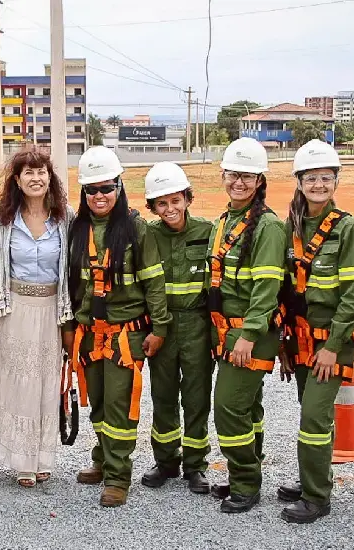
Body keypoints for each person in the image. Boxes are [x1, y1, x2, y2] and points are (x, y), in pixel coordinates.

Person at [66, 146, 170, 507]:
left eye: (106, 188)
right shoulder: (77, 230)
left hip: (125, 334)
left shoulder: (136, 229)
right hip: (89, 333)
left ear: (119, 187)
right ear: (83, 193)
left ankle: (118, 476)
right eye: (92, 190)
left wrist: (159, 329)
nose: (99, 196)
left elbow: (154, 283)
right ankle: (102, 458)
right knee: (97, 404)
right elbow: (71, 286)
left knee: (119, 406)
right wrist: (70, 329)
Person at [276, 140, 354, 523]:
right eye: (311, 178)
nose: (318, 184)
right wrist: (283, 341)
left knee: (314, 416)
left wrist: (333, 346)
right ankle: (313, 476)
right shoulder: (291, 227)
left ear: (336, 181)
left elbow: (352, 295)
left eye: (325, 178)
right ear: (299, 182)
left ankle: (317, 497)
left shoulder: (348, 230)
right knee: (310, 411)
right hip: (298, 340)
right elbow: (283, 287)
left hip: (330, 342)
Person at [0, 148, 75, 487]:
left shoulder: (66, 218)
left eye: (41, 172)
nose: (36, 178)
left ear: (50, 177)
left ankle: (42, 456)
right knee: (17, 381)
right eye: (28, 173)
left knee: (46, 383)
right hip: (14, 309)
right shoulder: (4, 220)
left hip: (51, 310)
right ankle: (22, 461)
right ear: (17, 181)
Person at [204, 137, 286, 513]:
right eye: (234, 174)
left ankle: (246, 483)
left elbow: (267, 287)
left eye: (247, 177)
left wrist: (249, 336)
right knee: (248, 408)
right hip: (228, 332)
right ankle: (246, 474)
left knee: (228, 408)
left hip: (249, 334)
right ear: (224, 175)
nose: (239, 182)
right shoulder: (224, 222)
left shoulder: (267, 226)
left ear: (259, 181)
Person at [138, 162, 215, 495]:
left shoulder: (207, 231)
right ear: (153, 207)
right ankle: (166, 461)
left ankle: (195, 465)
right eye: (162, 203)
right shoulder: (148, 235)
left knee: (197, 398)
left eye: (175, 200)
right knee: (163, 396)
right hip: (162, 327)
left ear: (187, 198)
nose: (170, 209)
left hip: (197, 324)